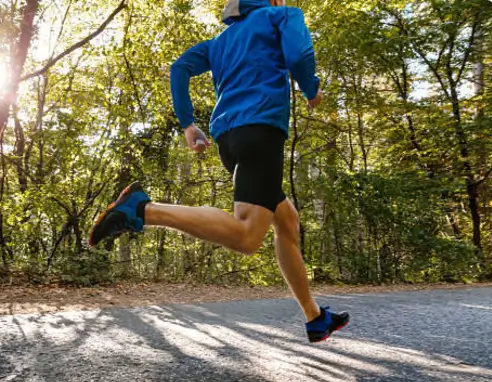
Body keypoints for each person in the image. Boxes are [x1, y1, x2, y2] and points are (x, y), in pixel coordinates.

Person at [89, 0, 349, 343]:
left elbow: (179, 67)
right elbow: (299, 57)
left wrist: (187, 125)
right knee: (246, 235)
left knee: (286, 220)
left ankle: (315, 317)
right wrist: (311, 89)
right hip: (261, 130)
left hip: (228, 138)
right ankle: (141, 209)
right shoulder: (282, 15)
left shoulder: (219, 43)